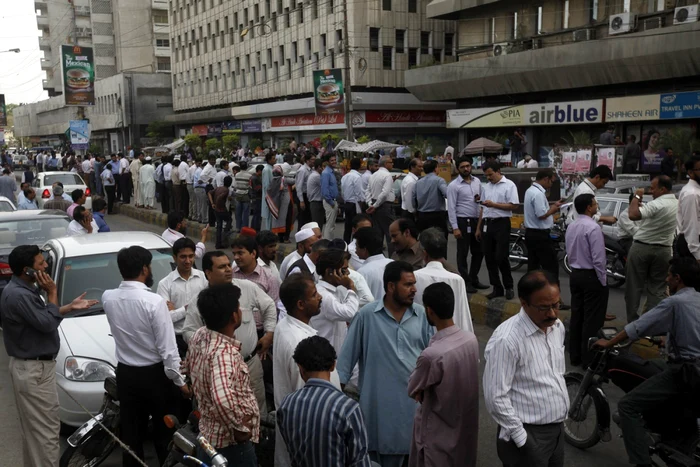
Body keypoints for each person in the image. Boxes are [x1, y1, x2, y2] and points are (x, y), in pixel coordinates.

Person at [595, 257, 700, 467]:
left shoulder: (674, 302)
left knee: (627, 406)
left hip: (685, 372)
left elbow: (638, 327)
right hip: (692, 368)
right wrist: (668, 341)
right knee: (654, 370)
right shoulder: (696, 298)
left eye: (669, 275)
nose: (667, 279)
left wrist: (609, 343)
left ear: (678, 279)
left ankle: (641, 463)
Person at [0, 245, 96, 467]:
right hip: (34, 371)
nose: (46, 266)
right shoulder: (20, 295)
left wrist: (68, 307)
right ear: (28, 270)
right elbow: (46, 324)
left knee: (36, 434)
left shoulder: (22, 291)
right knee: (46, 436)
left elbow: (41, 317)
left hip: (31, 370)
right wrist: (52, 292)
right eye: (41, 264)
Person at [102, 246, 191, 466]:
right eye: (150, 267)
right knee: (164, 435)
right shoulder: (153, 302)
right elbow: (168, 350)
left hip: (126, 374)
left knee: (131, 434)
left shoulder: (108, 297)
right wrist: (181, 383)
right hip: (155, 377)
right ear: (144, 269)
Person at [338, 261, 432, 466]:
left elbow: (435, 365)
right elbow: (343, 367)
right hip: (377, 421)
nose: (414, 290)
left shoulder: (423, 316)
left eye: (414, 284)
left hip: (414, 420)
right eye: (407, 285)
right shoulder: (366, 316)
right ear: (390, 287)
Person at [483, 271, 568, 467]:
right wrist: (522, 439)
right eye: (544, 308)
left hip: (556, 431)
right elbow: (495, 397)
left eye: (556, 305)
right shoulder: (507, 340)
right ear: (524, 303)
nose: (553, 314)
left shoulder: (557, 327)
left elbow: (555, 374)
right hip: (526, 436)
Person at [182, 250, 276, 413]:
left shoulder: (247, 288)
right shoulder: (199, 300)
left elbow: (269, 306)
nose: (228, 269)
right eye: (221, 267)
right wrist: (208, 349)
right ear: (208, 273)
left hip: (250, 365)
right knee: (225, 411)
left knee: (257, 411)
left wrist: (269, 333)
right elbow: (189, 331)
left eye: (228, 265)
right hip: (218, 371)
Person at [184, 283, 259, 466]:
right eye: (238, 307)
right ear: (234, 316)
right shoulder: (224, 354)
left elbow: (187, 365)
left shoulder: (200, 334)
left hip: (208, 437)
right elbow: (222, 399)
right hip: (230, 446)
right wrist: (239, 429)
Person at [273, 274, 342, 467]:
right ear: (301, 304)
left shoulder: (288, 325)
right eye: (314, 294)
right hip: (307, 441)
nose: (320, 297)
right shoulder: (298, 342)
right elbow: (305, 400)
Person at [408, 282, 479, 467]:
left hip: (437, 437)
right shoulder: (470, 339)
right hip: (463, 430)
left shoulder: (432, 355)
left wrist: (422, 390)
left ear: (429, 311)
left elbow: (413, 387)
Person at [277, 336, 372, 467]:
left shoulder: (287, 405)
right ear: (333, 365)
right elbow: (360, 461)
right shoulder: (348, 409)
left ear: (300, 368)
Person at [625, 175, 678, 323]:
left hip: (642, 247)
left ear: (663, 189)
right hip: (664, 250)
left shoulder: (657, 204)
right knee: (658, 289)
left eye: (653, 188)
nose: (651, 191)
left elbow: (633, 214)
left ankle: (633, 324)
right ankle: (654, 323)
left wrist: (637, 195)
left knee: (634, 288)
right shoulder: (677, 203)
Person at [566, 193, 608, 367]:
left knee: (577, 315)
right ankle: (589, 360)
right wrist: (603, 281)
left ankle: (575, 356)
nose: (597, 205)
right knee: (592, 319)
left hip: (575, 273)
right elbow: (599, 259)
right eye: (595, 203)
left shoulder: (572, 225)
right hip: (591, 275)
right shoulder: (593, 227)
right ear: (589, 207)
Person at [414, 227, 473, 332]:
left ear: (424, 254)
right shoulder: (457, 280)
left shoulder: (414, 277)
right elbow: (463, 317)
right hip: (450, 340)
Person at [157, 237, 208, 358]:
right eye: (183, 257)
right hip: (177, 340)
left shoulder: (203, 278)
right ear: (174, 257)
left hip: (202, 337)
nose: (188, 260)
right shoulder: (165, 284)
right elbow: (165, 317)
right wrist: (189, 308)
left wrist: (177, 311)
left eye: (191, 256)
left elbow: (209, 309)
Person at [476, 161, 519, 300]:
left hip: (502, 223)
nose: (488, 177)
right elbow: (483, 208)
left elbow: (513, 206)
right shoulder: (486, 187)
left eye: (490, 174)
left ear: (498, 171)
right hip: (487, 223)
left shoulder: (509, 185)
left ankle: (509, 286)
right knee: (488, 257)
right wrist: (478, 228)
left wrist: (494, 204)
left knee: (501, 256)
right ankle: (496, 287)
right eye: (486, 175)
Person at [447, 156, 488, 292]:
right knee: (463, 253)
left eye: (468, 166)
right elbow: (451, 207)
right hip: (462, 221)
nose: (466, 169)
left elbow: (481, 201)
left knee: (479, 252)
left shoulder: (477, 182)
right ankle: (465, 281)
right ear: (458, 169)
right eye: (463, 167)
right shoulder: (454, 185)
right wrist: (455, 227)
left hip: (477, 221)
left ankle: (473, 278)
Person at [310, 249, 359, 354]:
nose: (348, 273)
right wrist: (350, 287)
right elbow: (350, 313)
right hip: (325, 356)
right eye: (344, 270)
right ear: (330, 272)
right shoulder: (323, 295)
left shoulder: (337, 290)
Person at [524, 169, 563, 278]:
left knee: (533, 266)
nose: (551, 184)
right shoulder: (538, 194)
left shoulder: (530, 190)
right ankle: (552, 292)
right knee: (551, 267)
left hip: (532, 233)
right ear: (546, 179)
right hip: (540, 235)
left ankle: (532, 292)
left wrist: (552, 206)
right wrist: (553, 209)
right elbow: (541, 215)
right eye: (551, 181)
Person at [231, 235, 281, 307]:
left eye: (240, 253)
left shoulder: (269, 278)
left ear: (253, 253)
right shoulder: (230, 275)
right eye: (234, 254)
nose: (236, 257)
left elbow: (274, 308)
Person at [365, 156, 396, 255]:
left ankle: (377, 257)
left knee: (378, 234)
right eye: (391, 162)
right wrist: (375, 205)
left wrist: (371, 204)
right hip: (384, 206)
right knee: (390, 234)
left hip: (375, 205)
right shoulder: (387, 175)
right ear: (386, 164)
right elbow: (384, 193)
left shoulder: (373, 175)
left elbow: (367, 191)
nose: (392, 164)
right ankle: (392, 258)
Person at [355, 227, 394, 300]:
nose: (355, 250)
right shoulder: (393, 263)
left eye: (356, 246)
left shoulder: (362, 273)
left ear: (364, 249)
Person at [413, 159, 448, 237]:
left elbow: (413, 199)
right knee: (440, 241)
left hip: (422, 215)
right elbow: (446, 194)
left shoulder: (418, 183)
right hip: (437, 216)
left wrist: (415, 211)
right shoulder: (439, 180)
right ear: (435, 168)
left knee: (425, 241)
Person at [676, 155, 700, 260]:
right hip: (691, 247)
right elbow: (691, 226)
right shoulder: (691, 194)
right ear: (690, 172)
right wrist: (697, 256)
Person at [341, 158, 364, 243]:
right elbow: (359, 193)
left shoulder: (345, 176)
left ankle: (346, 245)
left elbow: (342, 192)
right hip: (354, 204)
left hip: (347, 203)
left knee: (347, 228)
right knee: (356, 227)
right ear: (360, 166)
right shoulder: (357, 177)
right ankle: (355, 246)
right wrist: (361, 206)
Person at [211, 175, 233, 249]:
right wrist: (217, 204)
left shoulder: (218, 188)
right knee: (229, 220)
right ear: (230, 183)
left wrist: (212, 204)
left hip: (216, 210)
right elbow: (219, 198)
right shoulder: (226, 190)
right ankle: (225, 235)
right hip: (221, 210)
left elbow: (209, 193)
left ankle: (218, 244)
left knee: (219, 226)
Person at [320, 153, 339, 240]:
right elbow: (324, 190)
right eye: (332, 160)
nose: (334, 162)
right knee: (329, 225)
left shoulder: (331, 172)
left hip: (333, 201)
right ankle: (327, 243)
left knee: (332, 225)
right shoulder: (326, 173)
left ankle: (328, 242)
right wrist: (331, 203)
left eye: (335, 160)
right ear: (327, 162)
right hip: (329, 201)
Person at [295, 154, 314, 228]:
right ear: (308, 161)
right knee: (302, 219)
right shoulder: (302, 170)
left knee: (308, 219)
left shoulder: (311, 169)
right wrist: (301, 201)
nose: (314, 161)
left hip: (309, 196)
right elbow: (299, 186)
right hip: (303, 195)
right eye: (312, 160)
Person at [307, 158, 325, 229]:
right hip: (316, 202)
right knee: (317, 225)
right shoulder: (316, 176)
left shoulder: (314, 175)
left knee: (318, 224)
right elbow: (325, 186)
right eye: (323, 167)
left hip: (315, 202)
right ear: (319, 167)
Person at [234, 160, 252, 230]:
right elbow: (250, 186)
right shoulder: (249, 176)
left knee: (238, 213)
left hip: (238, 195)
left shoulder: (237, 175)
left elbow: (235, 185)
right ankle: (245, 228)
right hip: (246, 195)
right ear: (247, 167)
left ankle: (238, 227)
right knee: (246, 213)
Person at [260, 152, 275, 230]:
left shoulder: (271, 168)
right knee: (269, 217)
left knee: (271, 216)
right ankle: (268, 233)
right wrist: (269, 196)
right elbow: (266, 185)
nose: (275, 160)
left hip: (272, 196)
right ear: (269, 160)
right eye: (273, 158)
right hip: (269, 196)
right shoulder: (266, 169)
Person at [250, 164, 264, 232]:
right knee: (257, 215)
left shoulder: (255, 177)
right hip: (257, 198)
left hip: (256, 198)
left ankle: (254, 229)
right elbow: (258, 189)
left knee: (256, 215)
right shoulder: (255, 178)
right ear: (259, 171)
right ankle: (256, 230)